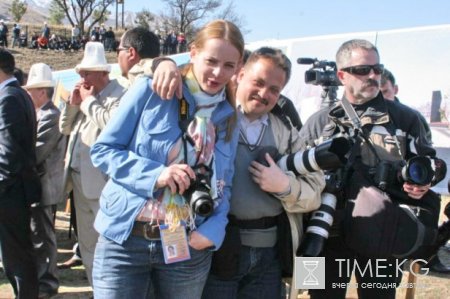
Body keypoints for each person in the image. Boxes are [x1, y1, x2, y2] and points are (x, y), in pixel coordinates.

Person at [89, 19, 244, 298]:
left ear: (238, 67)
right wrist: (155, 175)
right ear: (193, 53)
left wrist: (215, 229)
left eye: (229, 66)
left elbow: (226, 183)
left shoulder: (229, 117)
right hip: (126, 240)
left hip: (187, 246)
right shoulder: (153, 89)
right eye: (211, 61)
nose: (218, 73)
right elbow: (104, 150)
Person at [298, 39, 444, 299]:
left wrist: (422, 182)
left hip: (383, 234)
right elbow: (297, 174)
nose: (373, 75)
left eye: (378, 68)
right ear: (342, 75)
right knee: (318, 296)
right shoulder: (319, 122)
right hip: (325, 235)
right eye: (363, 70)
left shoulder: (406, 119)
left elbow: (430, 165)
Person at [199, 47, 323, 299]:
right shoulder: (210, 118)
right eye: (258, 82)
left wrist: (285, 187)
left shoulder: (286, 131)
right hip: (216, 250)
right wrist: (162, 65)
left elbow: (316, 189)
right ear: (240, 74)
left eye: (274, 90)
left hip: (270, 257)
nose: (264, 93)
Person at [59, 41, 126, 286]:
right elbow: (64, 128)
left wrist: (88, 103)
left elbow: (113, 128)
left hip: (102, 186)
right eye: (80, 73)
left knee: (106, 247)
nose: (82, 77)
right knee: (87, 245)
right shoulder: (85, 96)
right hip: (78, 181)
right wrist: (74, 104)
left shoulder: (120, 94)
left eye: (86, 72)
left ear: (103, 73)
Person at [381, 68, 450, 273]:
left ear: (395, 89)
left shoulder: (410, 119)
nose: (379, 99)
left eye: (384, 92)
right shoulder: (329, 117)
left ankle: (426, 254)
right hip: (338, 211)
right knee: (319, 283)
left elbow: (429, 161)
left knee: (380, 285)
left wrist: (423, 181)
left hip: (396, 203)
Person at [0, 48, 41, 299]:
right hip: (16, 190)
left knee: (16, 257)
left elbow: (8, 154)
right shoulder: (18, 94)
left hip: (10, 192)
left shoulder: (9, 98)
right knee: (17, 255)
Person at [24, 63, 67, 298]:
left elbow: (37, 152)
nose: (28, 94)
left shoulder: (51, 116)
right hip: (39, 185)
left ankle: (48, 283)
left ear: (42, 91)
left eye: (31, 90)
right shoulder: (42, 114)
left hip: (45, 186)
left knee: (44, 236)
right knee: (38, 234)